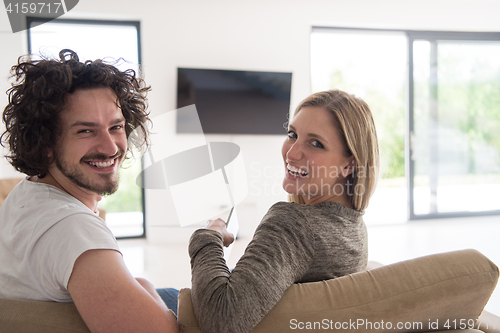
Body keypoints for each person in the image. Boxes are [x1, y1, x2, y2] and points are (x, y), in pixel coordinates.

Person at [0, 49, 179, 333]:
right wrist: (143, 286)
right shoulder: (73, 229)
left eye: (116, 126)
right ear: (46, 143)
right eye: (85, 131)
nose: (110, 148)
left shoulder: (28, 192)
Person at [188, 89, 380, 333]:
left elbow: (220, 320)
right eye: (292, 134)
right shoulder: (353, 226)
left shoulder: (293, 224)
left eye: (316, 143)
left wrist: (207, 236)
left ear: (349, 164)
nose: (291, 153)